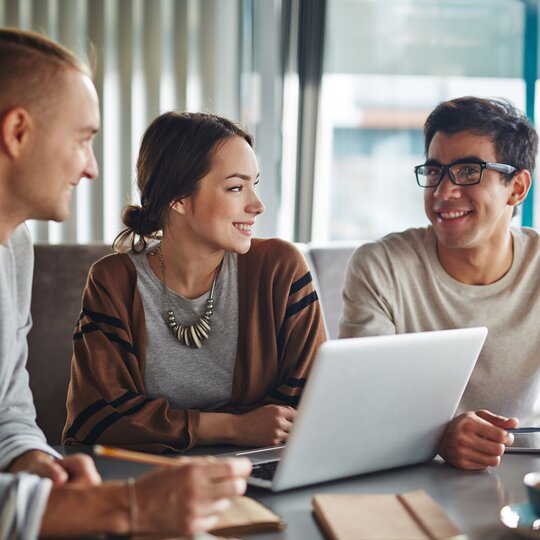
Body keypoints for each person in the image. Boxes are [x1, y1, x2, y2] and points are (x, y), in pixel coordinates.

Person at [0, 27, 250, 538]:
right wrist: (125, 508)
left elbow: (7, 407)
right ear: (18, 132)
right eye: (83, 139)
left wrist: (31, 460)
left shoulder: (14, 245)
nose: (91, 168)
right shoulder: (113, 279)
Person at [63, 110, 326, 452]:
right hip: (151, 476)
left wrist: (157, 423)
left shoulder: (280, 269)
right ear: (179, 199)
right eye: (236, 187)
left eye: (254, 185)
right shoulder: (113, 281)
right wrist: (235, 426)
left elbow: (310, 403)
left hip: (258, 466)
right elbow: (96, 419)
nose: (257, 205)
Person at [340, 96, 540, 471]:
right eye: (434, 172)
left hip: (523, 469)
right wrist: (437, 435)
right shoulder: (381, 266)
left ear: (517, 188)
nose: (443, 193)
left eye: (467, 172)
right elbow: (361, 403)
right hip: (406, 467)